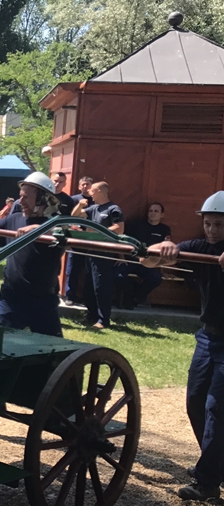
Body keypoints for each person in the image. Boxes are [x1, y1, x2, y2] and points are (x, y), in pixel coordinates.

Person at [143, 191, 224, 501]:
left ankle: (207, 483)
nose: (213, 231)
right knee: (195, 402)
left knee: (217, 408)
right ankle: (215, 465)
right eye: (208, 224)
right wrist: (160, 249)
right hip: (208, 336)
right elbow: (146, 259)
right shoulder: (198, 247)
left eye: (219, 225)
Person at [0, 172, 65, 336]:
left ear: (43, 199)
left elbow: (67, 231)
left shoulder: (57, 222)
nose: (20, 202)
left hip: (43, 300)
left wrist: (39, 229)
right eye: (20, 197)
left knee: (52, 351)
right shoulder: (13, 219)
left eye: (26, 197)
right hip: (11, 298)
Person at [72, 181, 124, 329]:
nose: (89, 193)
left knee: (102, 287)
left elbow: (119, 228)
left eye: (92, 190)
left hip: (104, 254)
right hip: (90, 252)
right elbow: (75, 216)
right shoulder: (93, 208)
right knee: (89, 287)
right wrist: (80, 205)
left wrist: (97, 231)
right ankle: (91, 316)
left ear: (101, 191)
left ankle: (103, 320)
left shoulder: (113, 209)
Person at [116, 202, 172, 308]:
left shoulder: (164, 230)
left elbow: (165, 250)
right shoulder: (136, 224)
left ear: (162, 215)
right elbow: (121, 241)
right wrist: (121, 258)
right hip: (129, 260)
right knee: (119, 276)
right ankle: (132, 298)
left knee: (156, 279)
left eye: (156, 211)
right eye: (150, 211)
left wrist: (162, 270)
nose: (153, 213)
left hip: (148, 264)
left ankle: (136, 297)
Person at [65, 176, 95, 304]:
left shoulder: (96, 200)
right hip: (76, 238)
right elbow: (68, 217)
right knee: (73, 268)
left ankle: (87, 298)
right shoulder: (74, 199)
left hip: (92, 239)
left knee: (89, 269)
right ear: (79, 186)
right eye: (83, 184)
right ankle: (70, 296)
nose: (85, 186)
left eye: (88, 184)